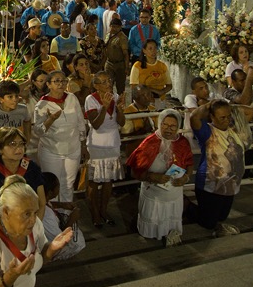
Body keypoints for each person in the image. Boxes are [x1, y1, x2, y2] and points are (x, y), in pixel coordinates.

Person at [127, 109, 193, 246]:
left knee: (170, 223)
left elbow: (189, 164)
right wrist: (151, 176)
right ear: (159, 124)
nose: (168, 129)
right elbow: (134, 172)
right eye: (165, 125)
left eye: (173, 126)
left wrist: (186, 178)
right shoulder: (149, 143)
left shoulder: (183, 143)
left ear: (178, 127)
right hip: (154, 195)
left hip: (174, 195)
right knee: (152, 225)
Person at [189, 100, 252, 236]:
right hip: (210, 184)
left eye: (229, 116)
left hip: (230, 183)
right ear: (212, 117)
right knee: (208, 223)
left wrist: (229, 107)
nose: (227, 120)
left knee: (222, 216)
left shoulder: (235, 129)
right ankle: (186, 207)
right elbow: (194, 117)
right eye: (222, 117)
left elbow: (250, 111)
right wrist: (208, 105)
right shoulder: (207, 131)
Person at [34, 70, 88, 203]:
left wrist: (83, 144)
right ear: (49, 84)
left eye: (63, 81)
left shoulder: (71, 98)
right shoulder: (42, 105)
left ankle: (67, 215)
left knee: (68, 184)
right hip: (52, 150)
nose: (61, 84)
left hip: (73, 148)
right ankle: (54, 218)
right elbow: (38, 131)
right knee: (53, 186)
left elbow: (80, 122)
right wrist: (50, 120)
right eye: (56, 81)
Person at [0, 127, 46, 220]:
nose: (19, 148)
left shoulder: (32, 168)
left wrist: (34, 227)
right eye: (13, 144)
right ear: (0, 149)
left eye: (21, 144)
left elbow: (42, 204)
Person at [84, 71, 125, 227]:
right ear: (96, 85)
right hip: (97, 145)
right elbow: (95, 124)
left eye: (109, 80)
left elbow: (121, 122)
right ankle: (94, 213)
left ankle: (103, 210)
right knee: (94, 181)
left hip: (113, 142)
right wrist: (104, 107)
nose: (108, 83)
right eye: (104, 81)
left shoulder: (114, 96)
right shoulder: (90, 99)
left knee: (108, 180)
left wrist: (120, 108)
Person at [39, 172, 85, 261]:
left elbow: (48, 203)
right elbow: (59, 238)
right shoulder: (47, 215)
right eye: (58, 186)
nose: (59, 189)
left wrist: (61, 205)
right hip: (52, 245)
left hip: (50, 236)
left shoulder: (40, 201)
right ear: (50, 192)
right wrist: (73, 219)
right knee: (78, 242)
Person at [129, 39, 172, 106]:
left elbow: (169, 85)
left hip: (160, 100)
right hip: (144, 101)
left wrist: (162, 92)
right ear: (144, 51)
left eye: (155, 48)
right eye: (150, 49)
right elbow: (134, 87)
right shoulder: (137, 66)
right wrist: (153, 90)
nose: (153, 51)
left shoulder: (162, 66)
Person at [103, 17, 131, 96]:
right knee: (108, 86)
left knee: (120, 87)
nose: (114, 28)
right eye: (113, 26)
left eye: (117, 27)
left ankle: (120, 105)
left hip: (119, 64)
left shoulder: (122, 38)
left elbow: (125, 54)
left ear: (120, 27)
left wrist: (126, 67)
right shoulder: (108, 35)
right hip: (109, 63)